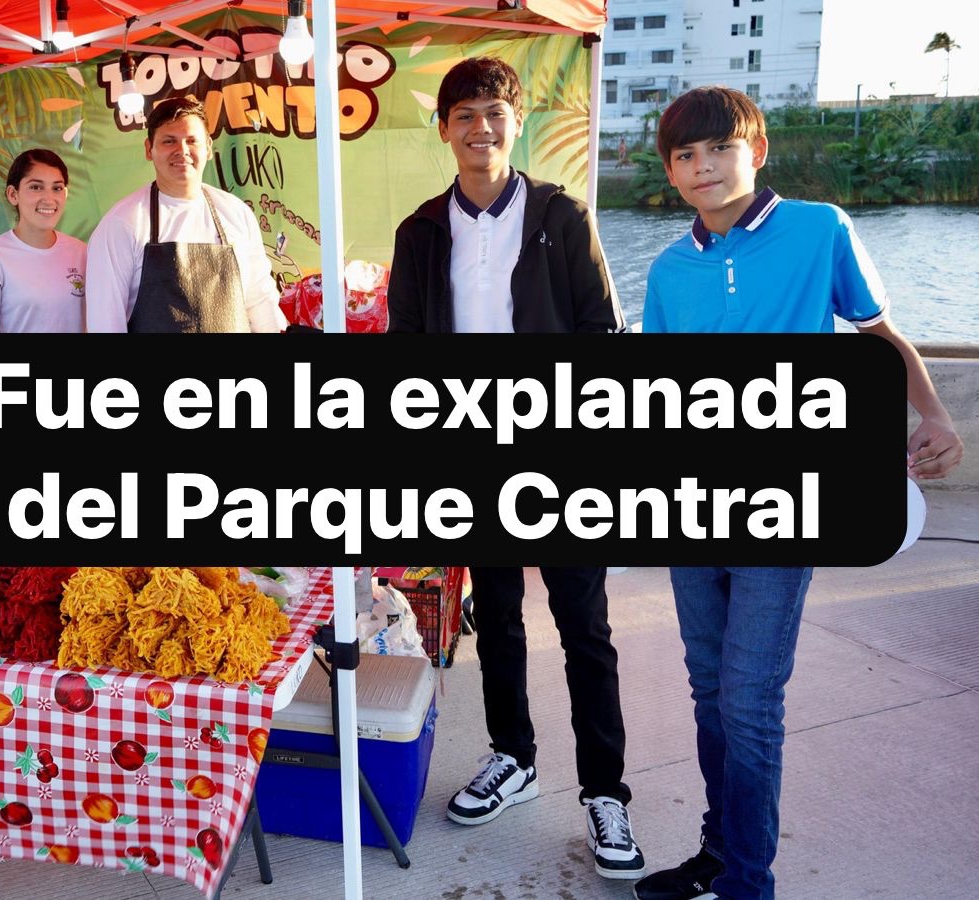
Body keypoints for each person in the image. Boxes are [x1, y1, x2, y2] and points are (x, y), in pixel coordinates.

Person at [636, 86, 963, 900]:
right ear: (670, 172)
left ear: (756, 150)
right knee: (710, 692)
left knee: (749, 703)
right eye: (684, 155)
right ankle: (720, 853)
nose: (703, 166)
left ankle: (749, 884)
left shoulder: (821, 229)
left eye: (720, 147)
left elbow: (879, 336)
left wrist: (934, 414)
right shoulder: (668, 270)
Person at [386, 57, 643, 881]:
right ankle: (512, 756)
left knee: (583, 625)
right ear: (444, 130)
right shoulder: (422, 231)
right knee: (495, 615)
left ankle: (605, 793)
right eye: (464, 114)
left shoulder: (562, 215)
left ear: (517, 121)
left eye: (494, 111)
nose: (481, 128)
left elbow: (602, 334)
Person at [84, 95, 285, 333]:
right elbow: (105, 323)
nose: (182, 150)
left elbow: (261, 303)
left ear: (208, 147)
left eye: (192, 140)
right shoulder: (122, 224)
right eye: (169, 141)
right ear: (149, 149)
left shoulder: (237, 213)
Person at [0, 148, 87, 333]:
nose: (49, 199)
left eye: (57, 188)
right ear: (13, 194)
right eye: (36, 187)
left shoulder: (82, 253)